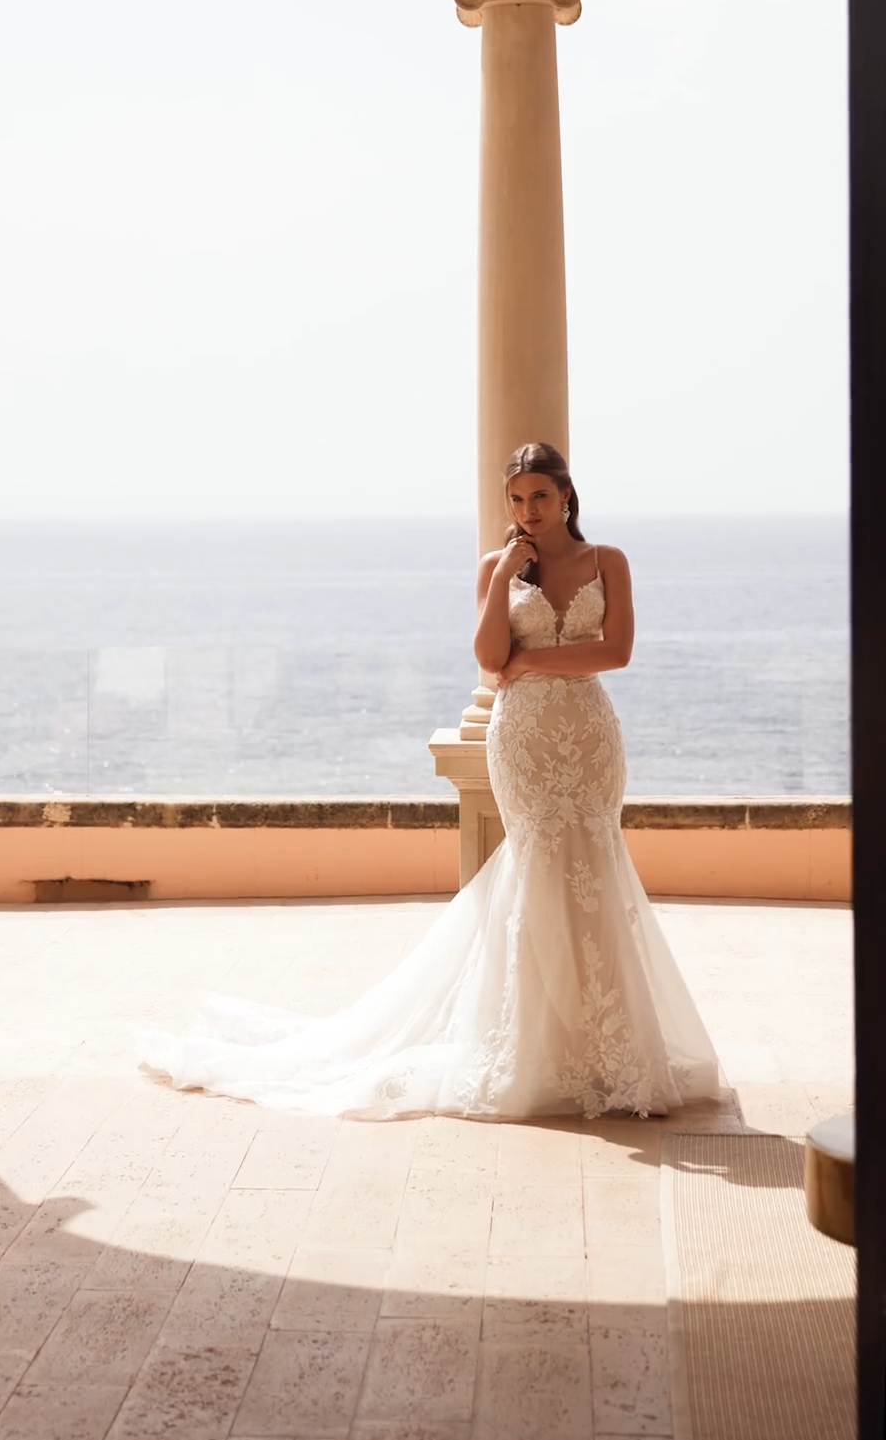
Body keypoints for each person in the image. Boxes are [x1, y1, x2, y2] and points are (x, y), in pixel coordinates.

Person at [137, 442, 721, 1120]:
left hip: (589, 740)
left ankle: (610, 1054)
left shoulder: (607, 562)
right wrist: (505, 575)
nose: (527, 510)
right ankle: (537, 1051)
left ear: (566, 496)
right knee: (537, 871)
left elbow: (616, 651)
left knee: (596, 866)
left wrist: (534, 664)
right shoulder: (496, 568)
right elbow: (490, 657)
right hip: (525, 743)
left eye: (539, 496)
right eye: (516, 500)